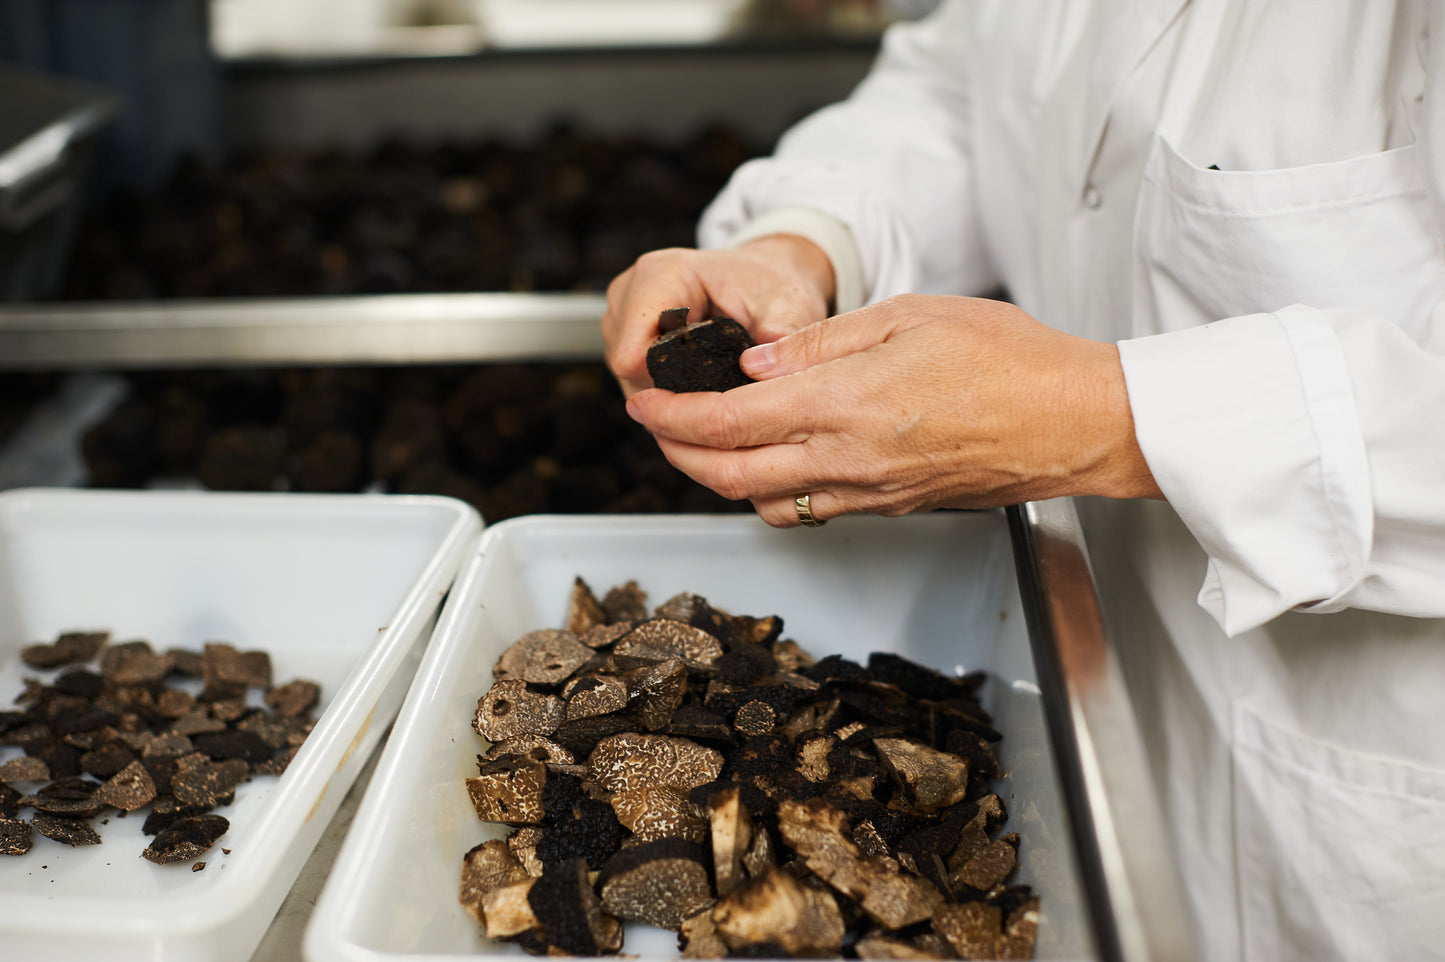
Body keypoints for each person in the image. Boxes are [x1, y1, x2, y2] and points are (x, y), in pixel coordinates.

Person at [600, 2, 1445, 960]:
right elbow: (966, 95)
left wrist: (1100, 414)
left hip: (1360, 770)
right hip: (1078, 666)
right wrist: (801, 246)